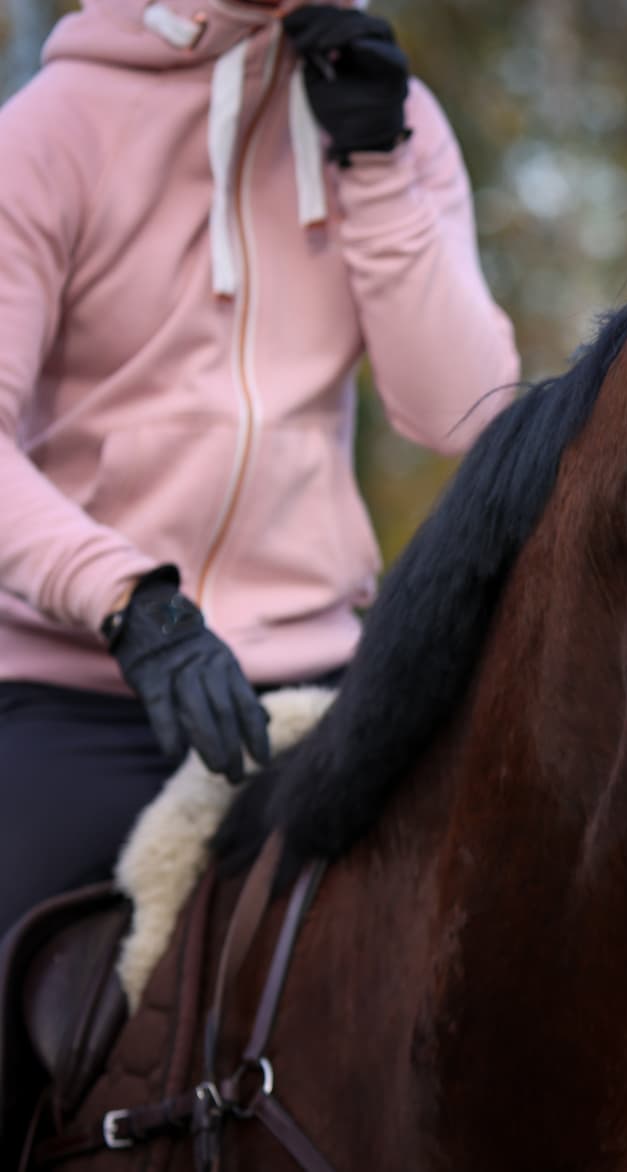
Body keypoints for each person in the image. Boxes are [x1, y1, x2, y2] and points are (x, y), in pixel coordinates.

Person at [0, 0, 520, 936]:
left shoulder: (397, 116)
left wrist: (376, 162)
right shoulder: (47, 128)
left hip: (318, 680)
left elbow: (460, 411)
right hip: (75, 693)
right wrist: (131, 604)